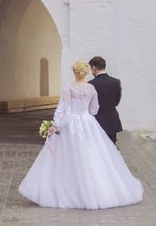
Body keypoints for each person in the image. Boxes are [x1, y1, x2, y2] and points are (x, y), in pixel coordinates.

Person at [18, 61, 143, 209]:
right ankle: (98, 192)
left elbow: (62, 109)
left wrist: (55, 125)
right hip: (88, 123)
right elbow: (95, 109)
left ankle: (68, 191)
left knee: (68, 158)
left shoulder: (69, 87)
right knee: (93, 156)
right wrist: (85, 115)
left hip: (71, 123)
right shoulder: (91, 88)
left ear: (74, 72)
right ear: (86, 72)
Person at [88, 56, 122, 144]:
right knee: (112, 150)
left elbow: (89, 104)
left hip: (97, 122)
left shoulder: (91, 84)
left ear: (94, 68)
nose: (91, 72)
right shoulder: (116, 82)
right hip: (112, 121)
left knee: (99, 151)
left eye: (91, 69)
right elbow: (116, 101)